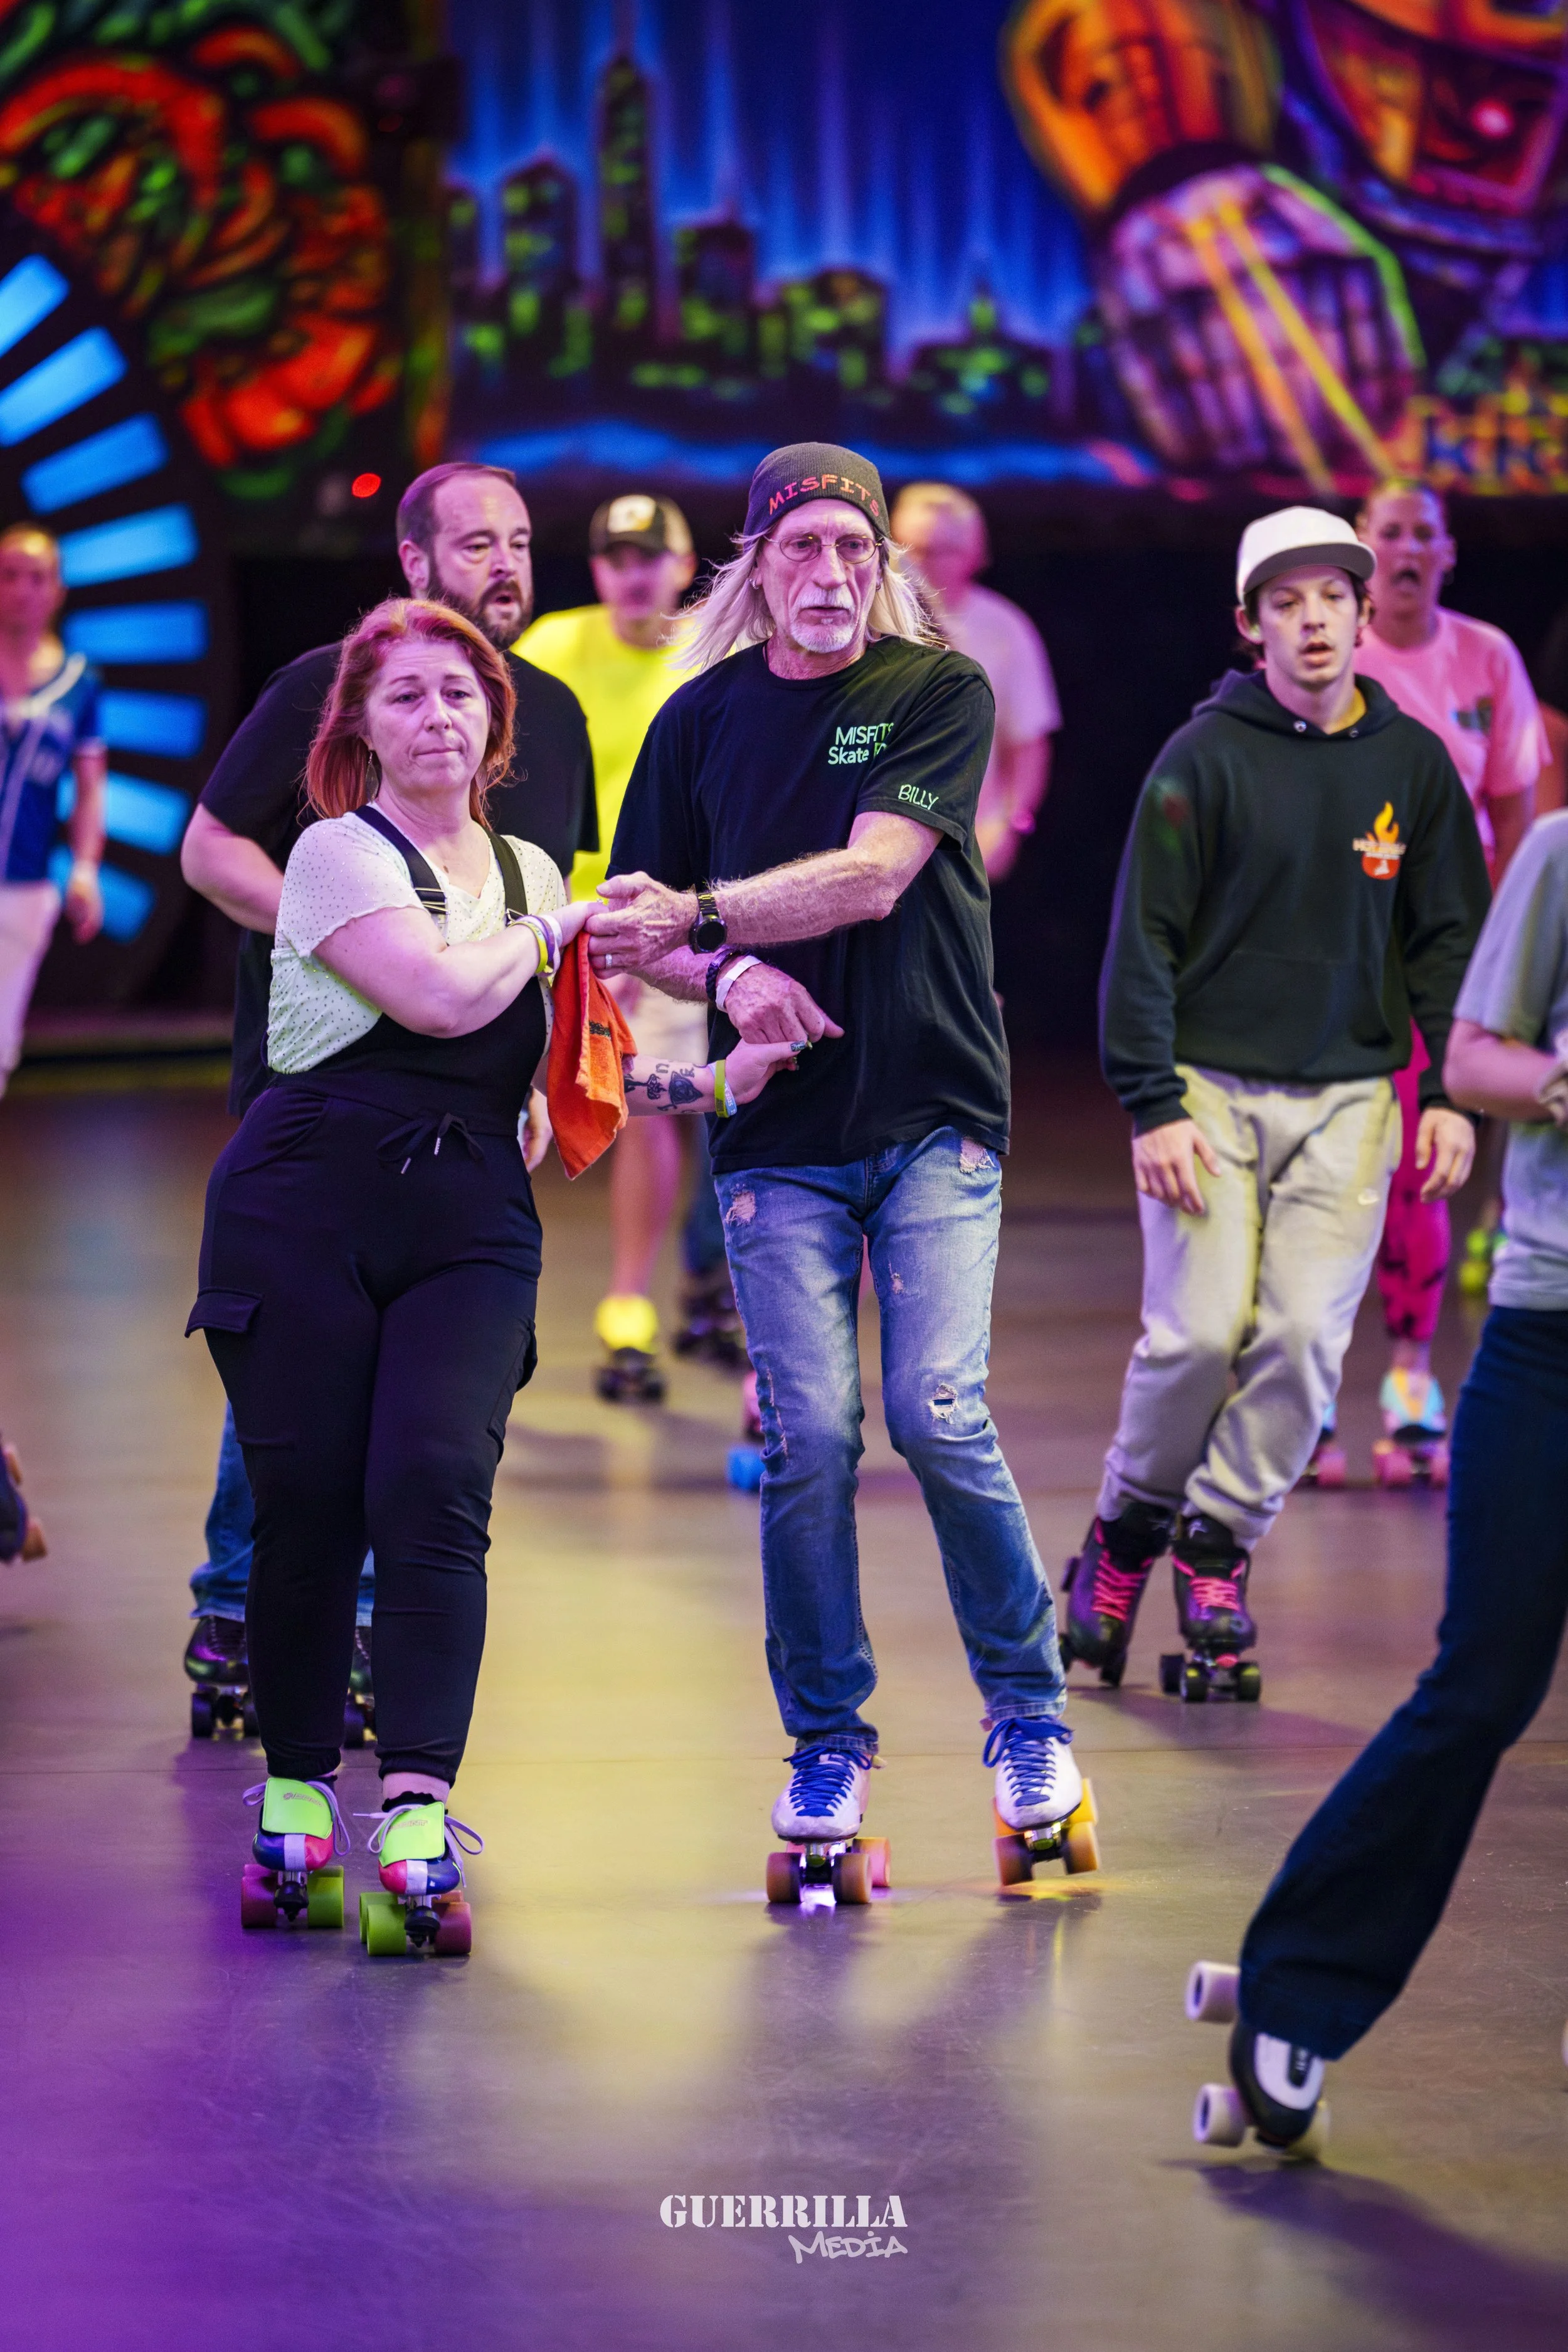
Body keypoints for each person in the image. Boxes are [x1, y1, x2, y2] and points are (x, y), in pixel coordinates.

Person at [188, 597, 795, 1941]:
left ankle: (415, 1807)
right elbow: (439, 996)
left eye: (459, 693)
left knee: (433, 1485)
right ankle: (296, 1793)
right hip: (301, 1205)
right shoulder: (337, 853)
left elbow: (574, 1082)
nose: (437, 716)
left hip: (467, 1211)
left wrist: (716, 1080)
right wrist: (560, 926)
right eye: (405, 695)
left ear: (495, 727)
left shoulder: (528, 872)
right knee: (309, 1504)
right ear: (360, 726)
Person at [586, 439, 1086, 1857]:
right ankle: (826, 1747)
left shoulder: (937, 689)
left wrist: (705, 921)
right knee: (804, 1437)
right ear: (755, 568)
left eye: (854, 550)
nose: (829, 573)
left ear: (883, 570)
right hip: (781, 1133)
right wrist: (733, 974)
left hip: (931, 1109)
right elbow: (633, 921)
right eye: (801, 547)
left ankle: (1029, 1718)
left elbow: (872, 877)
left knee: (938, 1410)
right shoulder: (698, 720)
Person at [177, 460, 596, 1718]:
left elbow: (534, 907)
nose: (505, 564)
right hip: (323, 1084)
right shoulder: (328, 685)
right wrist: (349, 939)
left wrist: (525, 1059)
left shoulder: (551, 711)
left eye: (519, 541)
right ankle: (238, 1603)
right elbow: (209, 849)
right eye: (475, 544)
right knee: (310, 1362)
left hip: (469, 1100)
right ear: (414, 561)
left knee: (414, 1383)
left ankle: (360, 1626)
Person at [1068, 506, 1488, 1697]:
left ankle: (1215, 1548)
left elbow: (1450, 941)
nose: (1314, 622)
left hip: (1352, 1095)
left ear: (1363, 614)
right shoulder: (1201, 759)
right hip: (1207, 1088)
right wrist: (1153, 1102)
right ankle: (1124, 1532)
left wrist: (1451, 1090)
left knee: (1304, 1340)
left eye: (1333, 599)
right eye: (1286, 604)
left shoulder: (1412, 765)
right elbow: (1143, 940)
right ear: (1250, 626)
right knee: (1199, 1334)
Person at [1214, 811, 1568, 2146]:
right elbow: (1470, 1058)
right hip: (1550, 1330)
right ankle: (1300, 1987)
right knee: (1482, 1681)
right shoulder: (1560, 853)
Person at [1348, 479, 1547, 1481]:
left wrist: (1501, 948)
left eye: (1424, 533)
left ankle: (1412, 1376)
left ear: (1448, 553)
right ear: (1363, 548)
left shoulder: (1488, 656)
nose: (1408, 549)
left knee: (1422, 1159)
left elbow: (1514, 814)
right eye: (1390, 532)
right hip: (1339, 949)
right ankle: (1312, 1389)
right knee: (1337, 1166)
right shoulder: (1331, 654)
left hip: (1446, 950)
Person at [520, 493, 736, 1396]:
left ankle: (663, 1303)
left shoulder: (715, 654)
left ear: (686, 566)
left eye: (651, 556)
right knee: (586, 1105)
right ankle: (607, 1304)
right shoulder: (550, 649)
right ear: (596, 569)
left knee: (683, 1106)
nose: (633, 573)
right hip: (563, 921)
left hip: (678, 916)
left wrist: (674, 926)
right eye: (616, 557)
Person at [889, 482, 1060, 882]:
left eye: (942, 550)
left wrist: (1011, 825)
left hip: (965, 846)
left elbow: (1028, 741)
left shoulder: (1005, 627)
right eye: (910, 548)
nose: (922, 563)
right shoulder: (866, 623)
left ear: (976, 555)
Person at [0, 523, 106, 1091]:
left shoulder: (78, 683)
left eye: (36, 578)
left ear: (58, 590)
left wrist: (84, 869)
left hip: (23, 884)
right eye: (9, 576)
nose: (22, 590)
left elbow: (90, 787)